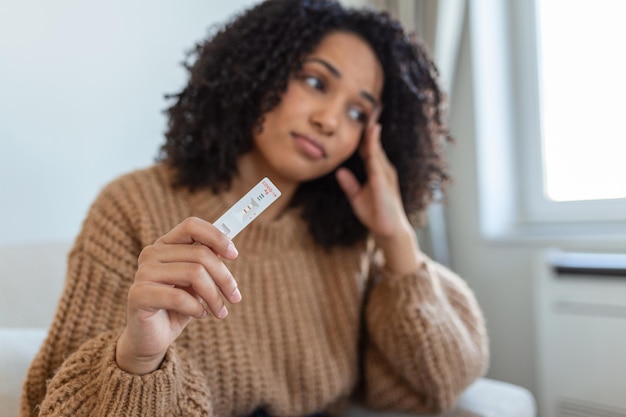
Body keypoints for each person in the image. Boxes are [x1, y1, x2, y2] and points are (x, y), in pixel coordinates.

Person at [21, 0, 489, 416]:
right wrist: (139, 360)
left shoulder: (347, 241)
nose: (328, 120)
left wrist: (396, 237)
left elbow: (440, 381)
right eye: (314, 81)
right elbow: (53, 404)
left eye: (357, 113)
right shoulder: (131, 207)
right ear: (258, 71)